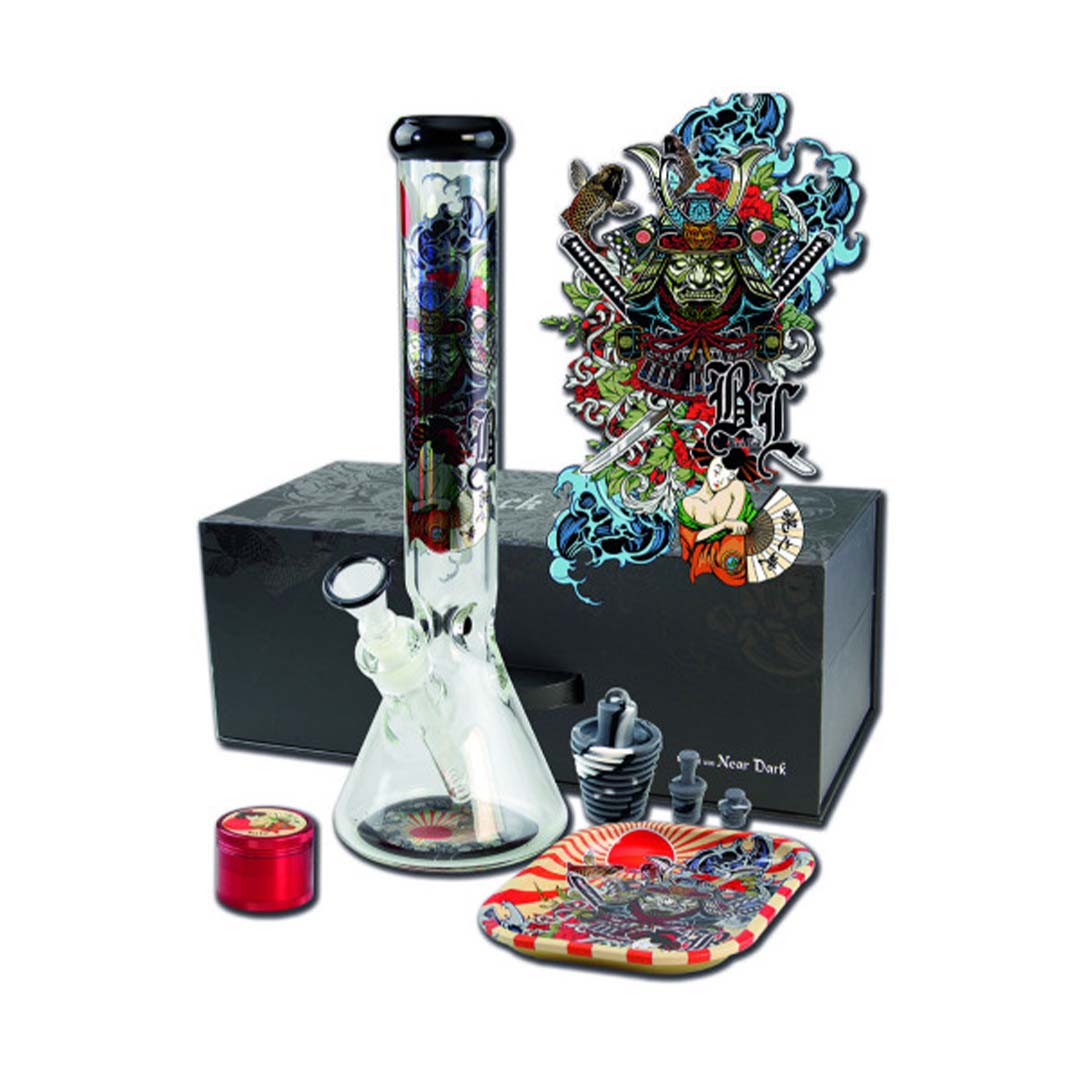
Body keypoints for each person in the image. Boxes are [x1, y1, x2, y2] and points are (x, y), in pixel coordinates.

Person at [677, 446, 759, 584]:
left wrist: (735, 527)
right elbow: (692, 538)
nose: (721, 480)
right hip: (705, 558)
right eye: (717, 471)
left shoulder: (735, 488)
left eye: (730, 477)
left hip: (734, 552)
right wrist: (723, 525)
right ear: (708, 463)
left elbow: (737, 527)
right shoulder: (689, 503)